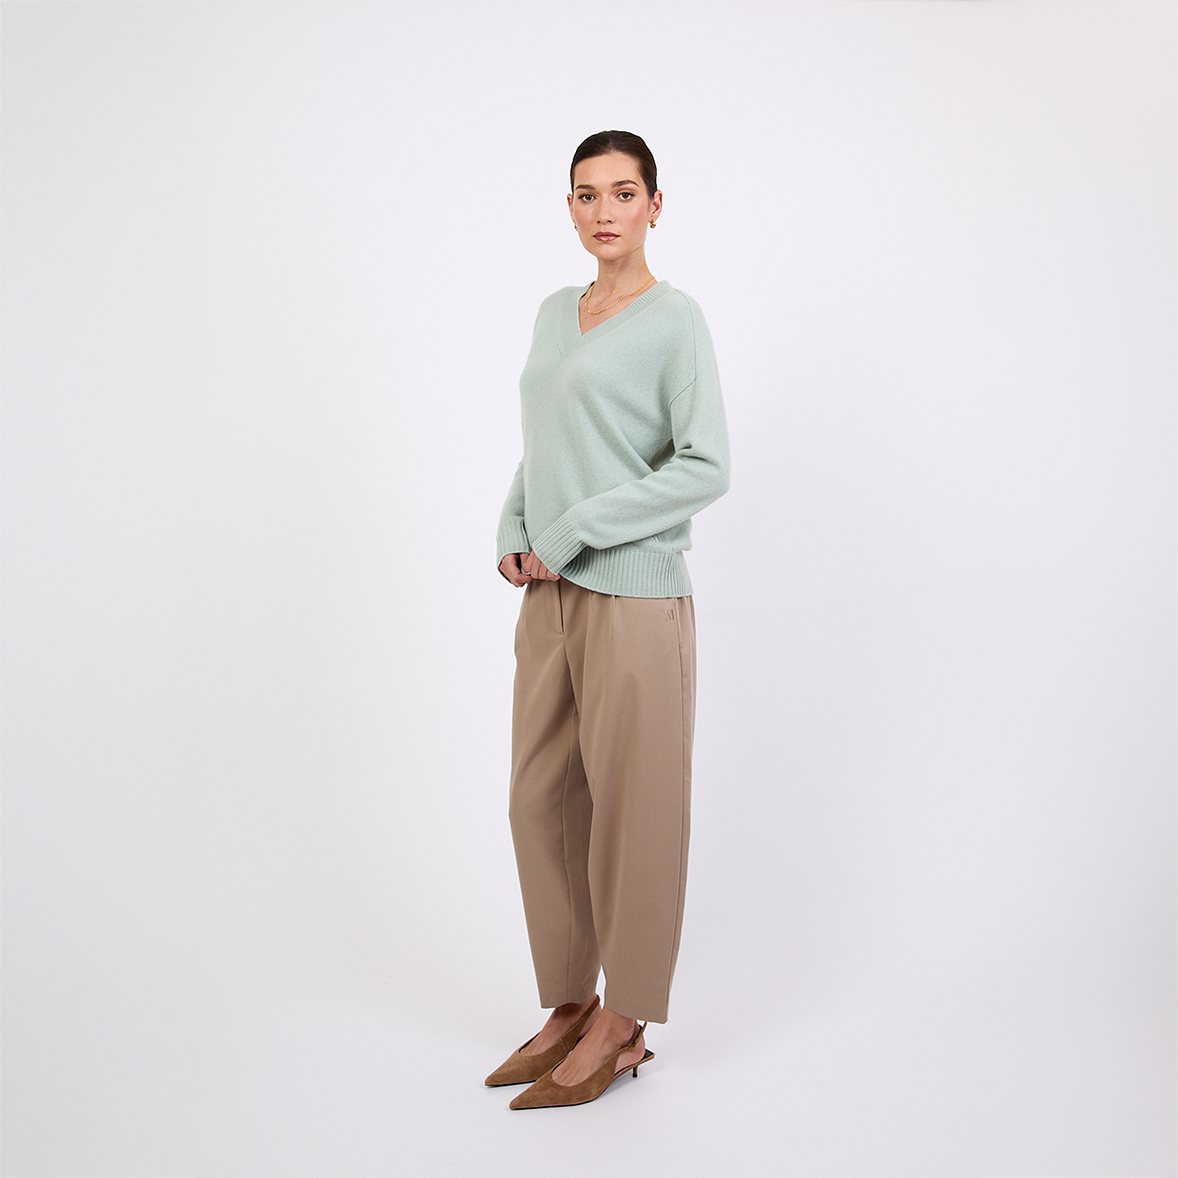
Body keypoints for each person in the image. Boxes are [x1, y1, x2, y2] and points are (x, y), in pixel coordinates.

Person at [487, 130, 730, 1110]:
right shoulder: (556, 312)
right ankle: (568, 1002)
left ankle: (623, 1022)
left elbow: (705, 465)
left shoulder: (676, 321)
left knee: (636, 809)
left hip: (633, 593)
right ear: (570, 208)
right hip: (548, 592)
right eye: (586, 195)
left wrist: (577, 528)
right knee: (540, 799)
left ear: (654, 206)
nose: (604, 212)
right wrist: (514, 524)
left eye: (623, 193)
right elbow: (546, 440)